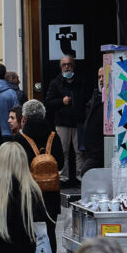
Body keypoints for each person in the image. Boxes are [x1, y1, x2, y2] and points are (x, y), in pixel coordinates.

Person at [16, 99, 64, 253]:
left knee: (32, 230)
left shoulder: (21, 138)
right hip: (51, 190)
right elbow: (60, 161)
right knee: (50, 229)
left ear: (25, 118)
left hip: (29, 191)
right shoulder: (53, 135)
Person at [46, 55, 90, 186]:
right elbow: (48, 102)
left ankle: (80, 178)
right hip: (62, 122)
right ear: (60, 67)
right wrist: (61, 101)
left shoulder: (81, 81)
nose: (66, 67)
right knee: (63, 151)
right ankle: (63, 178)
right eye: (64, 65)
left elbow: (87, 98)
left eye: (69, 64)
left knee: (80, 151)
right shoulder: (55, 83)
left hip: (78, 122)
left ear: (73, 66)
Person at [82, 66, 104, 174]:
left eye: (103, 76)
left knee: (85, 172)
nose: (101, 79)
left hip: (100, 147)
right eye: (99, 76)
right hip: (92, 147)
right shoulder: (96, 94)